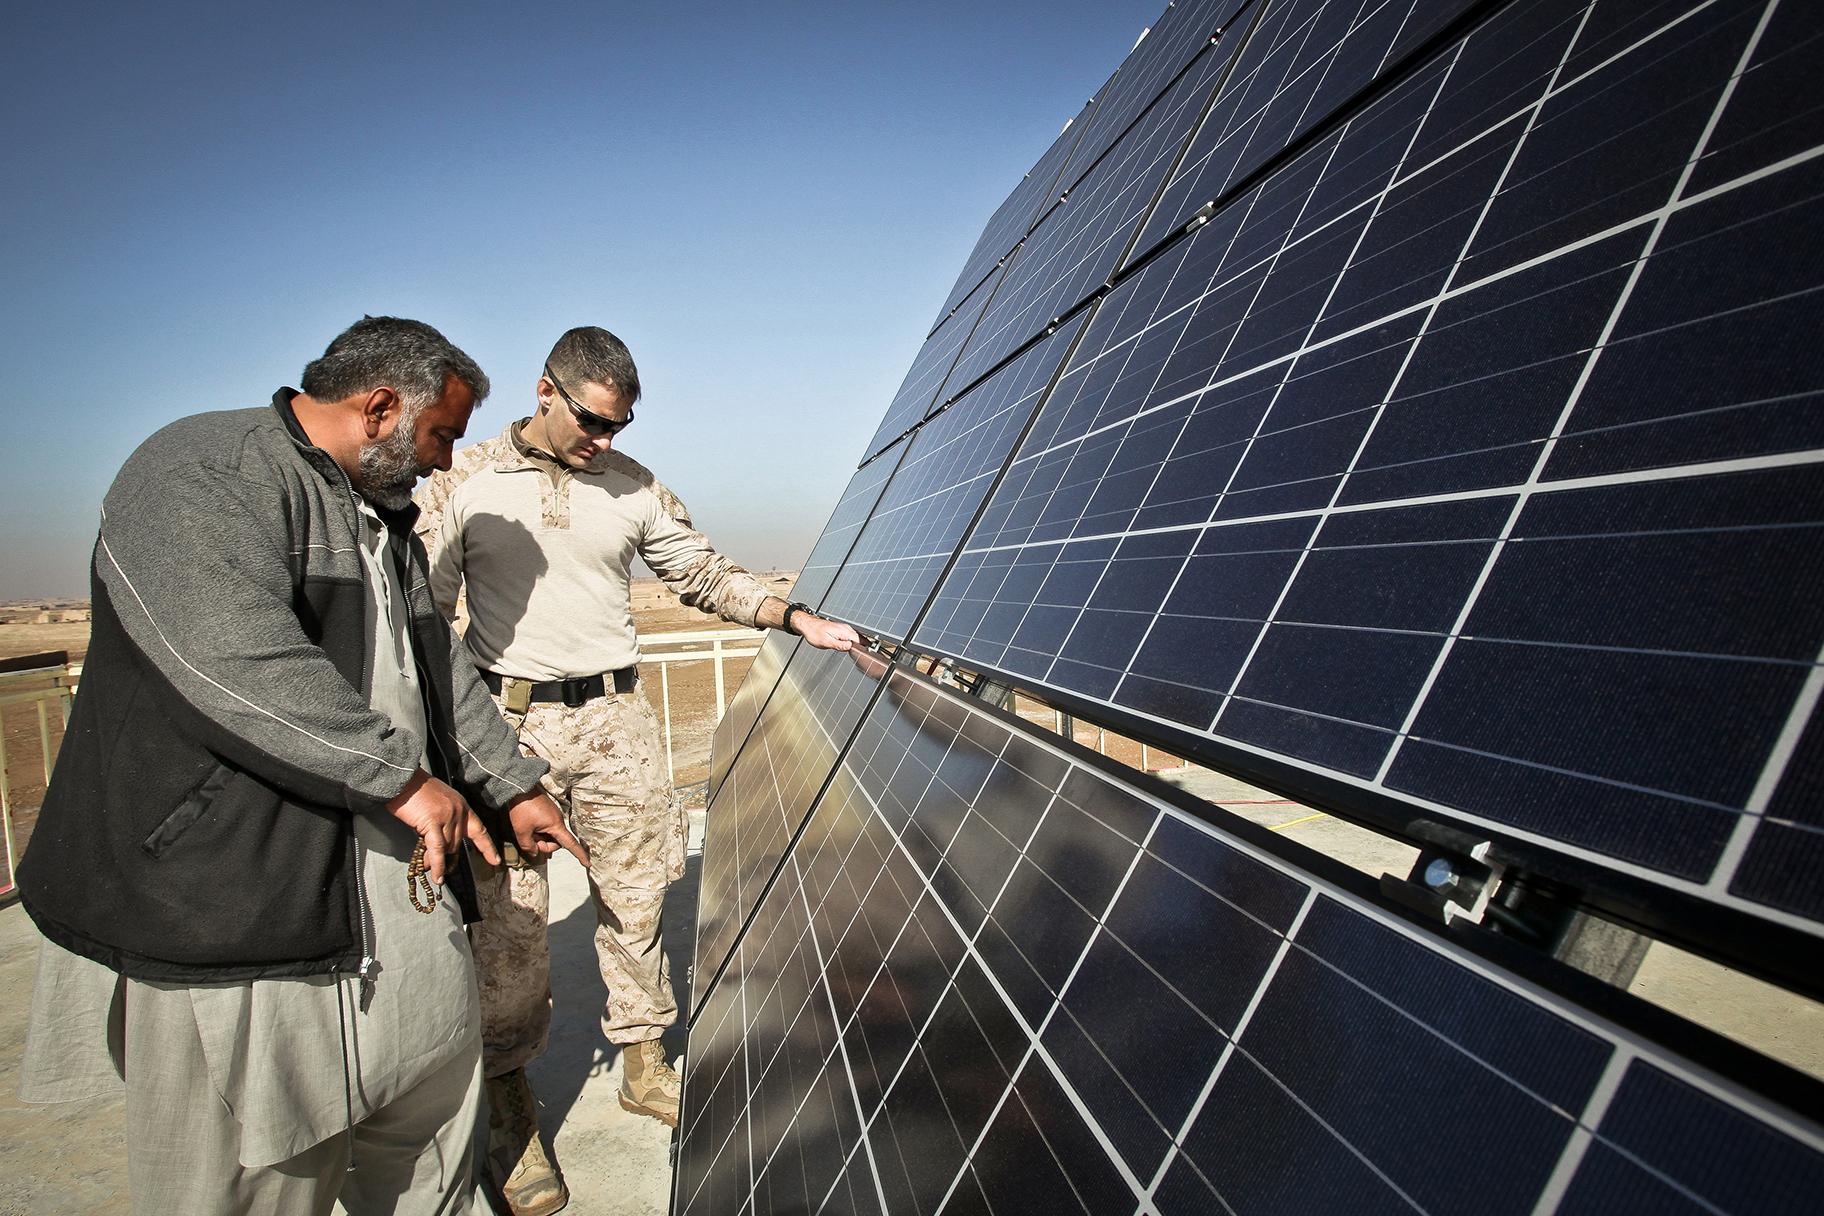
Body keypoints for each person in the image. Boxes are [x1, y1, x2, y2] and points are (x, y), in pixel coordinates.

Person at [16, 316, 588, 1216]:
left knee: (432, 1132)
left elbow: (430, 667)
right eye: (440, 435)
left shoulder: (384, 516)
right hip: (230, 913)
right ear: (381, 407)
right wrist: (401, 778)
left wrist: (509, 782)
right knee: (251, 1177)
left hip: (386, 893)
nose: (444, 463)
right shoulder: (202, 472)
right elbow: (232, 659)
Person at [415, 325, 859, 1215]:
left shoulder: (635, 488)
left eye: (617, 426)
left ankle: (642, 1060)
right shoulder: (464, 484)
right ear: (547, 391)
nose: (604, 440)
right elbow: (421, 613)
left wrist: (792, 615)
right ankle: (511, 1115)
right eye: (592, 421)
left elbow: (696, 572)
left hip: (618, 718)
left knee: (637, 895)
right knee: (510, 920)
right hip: (510, 728)